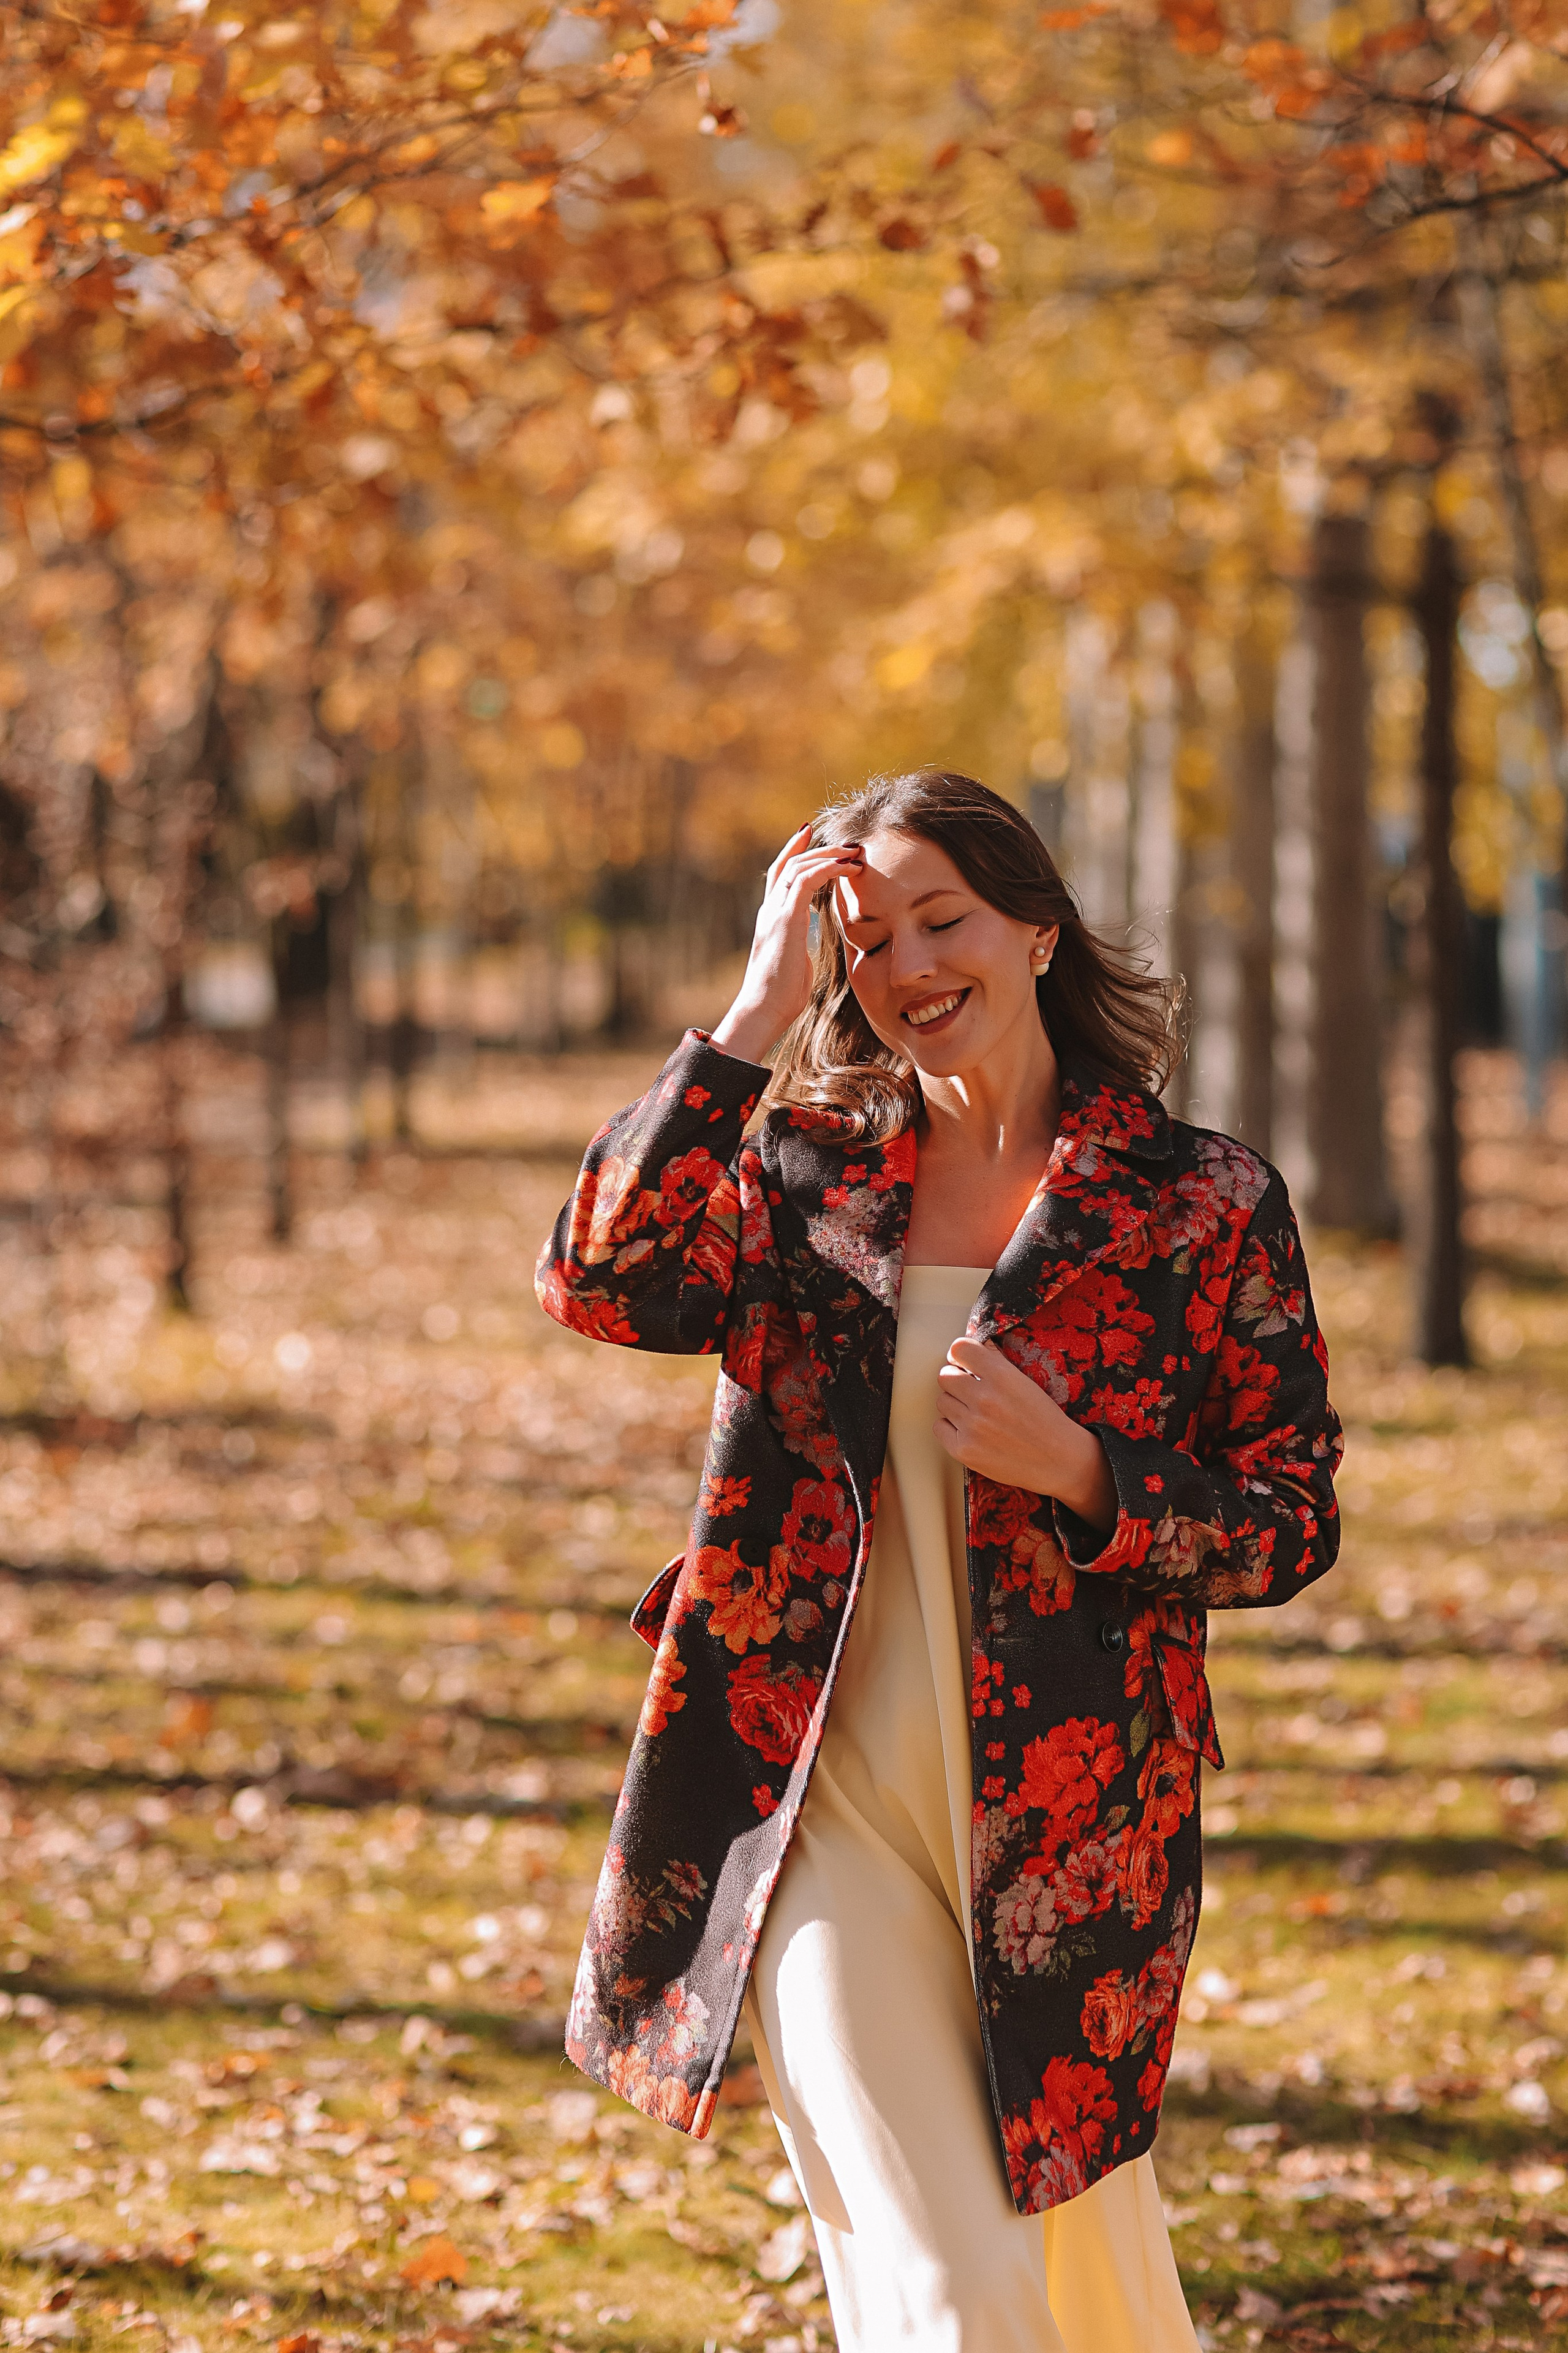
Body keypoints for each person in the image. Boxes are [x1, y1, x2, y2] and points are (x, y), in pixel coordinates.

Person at [537, 768, 1342, 2351]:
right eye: (865, 939)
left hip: (1067, 1835)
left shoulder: (1201, 1201)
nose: (906, 967)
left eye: (942, 919)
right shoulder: (806, 1177)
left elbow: (1293, 1512)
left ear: (1036, 925)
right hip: (811, 1806)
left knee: (1068, 2290)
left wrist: (1091, 1474)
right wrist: (757, 1007)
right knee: (960, 2301)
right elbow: (598, 1274)